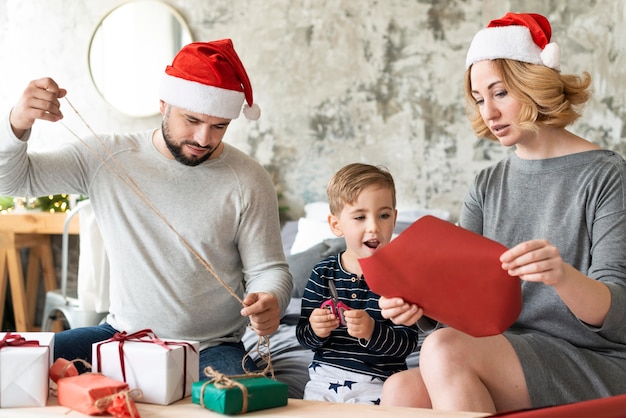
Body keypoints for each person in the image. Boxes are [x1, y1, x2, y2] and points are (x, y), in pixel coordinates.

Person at [378, 12, 626, 413]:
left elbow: (619, 313)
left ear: (535, 85)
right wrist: (419, 309)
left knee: (444, 350)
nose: (488, 112)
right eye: (479, 98)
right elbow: (464, 300)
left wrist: (561, 276)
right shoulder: (486, 184)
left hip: (593, 358)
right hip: (507, 350)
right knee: (401, 389)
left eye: (500, 93)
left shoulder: (605, 175)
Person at [0, 39, 293, 377]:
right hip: (120, 337)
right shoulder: (106, 156)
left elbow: (270, 269)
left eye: (219, 126)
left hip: (211, 347)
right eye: (192, 120)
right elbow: (11, 182)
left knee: (240, 403)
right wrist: (17, 122)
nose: (203, 139)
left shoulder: (248, 178)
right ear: (163, 103)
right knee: (18, 367)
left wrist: (270, 298)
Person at [295, 163, 421, 404]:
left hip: (380, 384)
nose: (374, 227)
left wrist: (372, 332)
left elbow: (407, 343)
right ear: (336, 225)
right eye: (360, 217)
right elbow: (303, 336)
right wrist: (315, 329)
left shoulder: (402, 277)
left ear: (394, 219)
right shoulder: (323, 273)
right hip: (324, 380)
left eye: (383, 215)